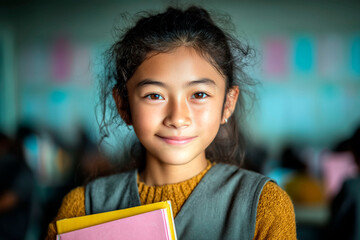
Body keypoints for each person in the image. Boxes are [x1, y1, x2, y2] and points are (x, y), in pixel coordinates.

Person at [46, 6, 296, 239]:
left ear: (227, 104)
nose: (177, 118)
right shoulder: (82, 208)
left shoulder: (264, 206)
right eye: (154, 95)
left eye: (199, 95)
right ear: (124, 105)